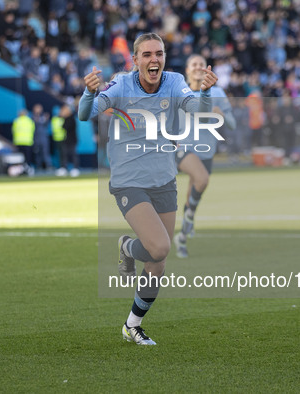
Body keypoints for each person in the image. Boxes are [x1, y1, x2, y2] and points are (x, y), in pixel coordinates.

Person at [78, 32, 217, 345]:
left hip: (164, 178)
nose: (155, 60)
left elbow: (196, 111)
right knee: (159, 247)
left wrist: (206, 93)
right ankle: (127, 247)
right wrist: (89, 94)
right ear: (136, 60)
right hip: (129, 179)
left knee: (158, 261)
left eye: (160, 53)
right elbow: (86, 113)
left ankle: (132, 325)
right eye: (147, 55)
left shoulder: (175, 81)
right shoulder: (121, 85)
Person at [172, 54, 237, 258]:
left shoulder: (217, 92)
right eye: (194, 64)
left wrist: (223, 116)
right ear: (187, 69)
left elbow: (233, 124)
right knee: (202, 179)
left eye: (202, 64)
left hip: (207, 150)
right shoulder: (179, 93)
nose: (199, 67)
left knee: (196, 187)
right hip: (184, 147)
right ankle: (187, 223)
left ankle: (181, 236)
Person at [31, 103, 52, 171]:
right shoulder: (32, 117)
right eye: (37, 108)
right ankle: (38, 166)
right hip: (36, 138)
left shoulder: (44, 116)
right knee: (37, 153)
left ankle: (48, 166)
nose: (38, 110)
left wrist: (46, 119)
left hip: (44, 138)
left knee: (45, 152)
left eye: (39, 108)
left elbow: (45, 124)